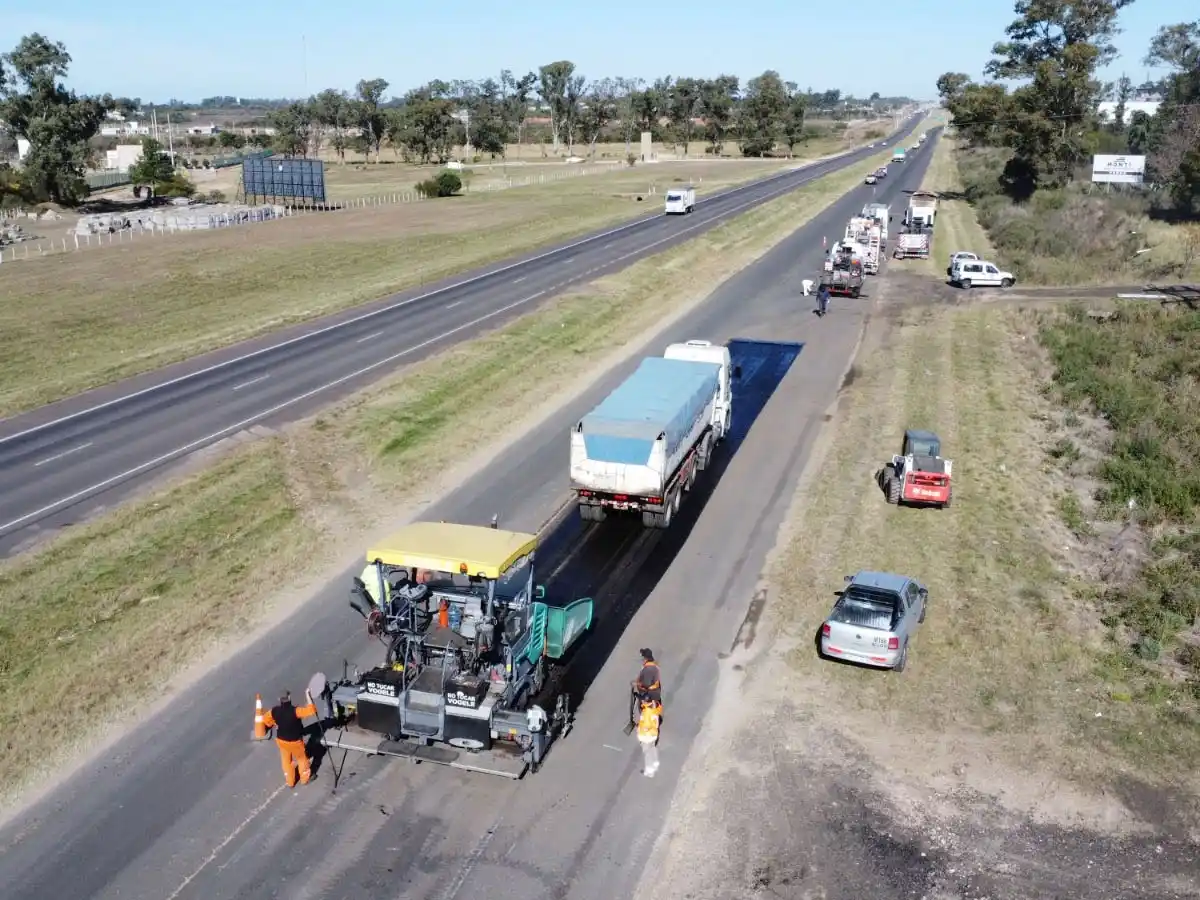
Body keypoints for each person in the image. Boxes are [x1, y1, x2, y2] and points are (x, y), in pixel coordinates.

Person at [263, 689, 319, 788]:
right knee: (302, 759)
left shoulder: (274, 711)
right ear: (289, 697)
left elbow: (266, 720)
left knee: (286, 761)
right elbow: (311, 710)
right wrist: (308, 695)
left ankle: (290, 781)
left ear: (279, 699)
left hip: (281, 741)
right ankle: (304, 779)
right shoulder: (295, 711)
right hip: (295, 742)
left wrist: (275, 723)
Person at [636, 692, 663, 777]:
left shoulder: (647, 711)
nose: (642, 702)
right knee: (652, 747)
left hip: (646, 735)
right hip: (653, 733)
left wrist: (640, 728)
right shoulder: (654, 708)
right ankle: (655, 762)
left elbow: (646, 724)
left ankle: (649, 771)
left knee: (647, 751)